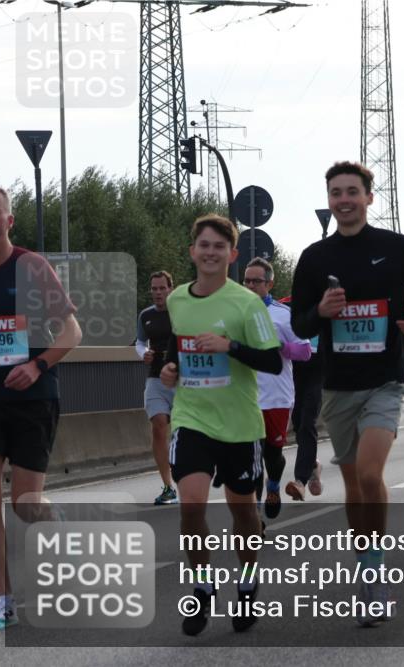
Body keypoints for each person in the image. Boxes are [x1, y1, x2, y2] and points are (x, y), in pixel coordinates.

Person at [290, 162, 404, 626]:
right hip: (338, 385)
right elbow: (299, 324)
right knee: (355, 486)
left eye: (352, 192)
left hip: (386, 379)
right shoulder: (315, 258)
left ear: (368, 198)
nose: (344, 199)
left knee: (372, 474)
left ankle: (375, 577)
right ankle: (365, 566)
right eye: (336, 192)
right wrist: (320, 309)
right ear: (329, 199)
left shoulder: (392, 247)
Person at [160, 214, 282, 636]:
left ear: (231, 255)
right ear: (192, 251)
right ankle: (202, 586)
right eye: (203, 245)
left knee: (243, 512)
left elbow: (272, 359)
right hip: (191, 417)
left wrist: (230, 346)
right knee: (190, 505)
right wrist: (169, 369)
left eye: (219, 247)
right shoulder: (176, 299)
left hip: (239, 425)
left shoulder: (246, 304)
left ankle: (247, 581)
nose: (210, 252)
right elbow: (176, 346)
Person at [0, 185, 82, 631]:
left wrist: (37, 364)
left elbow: (72, 332)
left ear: (9, 221)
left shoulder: (31, 266)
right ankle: (5, 598)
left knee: (25, 503)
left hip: (32, 396)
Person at [243, 258, 312, 520]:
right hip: (245, 398)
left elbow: (305, 351)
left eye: (255, 281)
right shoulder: (233, 312)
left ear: (269, 284)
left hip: (277, 397)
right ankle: (255, 516)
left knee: (273, 456)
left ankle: (274, 486)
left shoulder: (283, 315)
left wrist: (281, 347)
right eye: (246, 280)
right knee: (253, 457)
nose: (249, 285)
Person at [137, 271, 178, 505]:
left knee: (184, 432)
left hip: (181, 380)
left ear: (171, 289)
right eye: (154, 289)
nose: (158, 293)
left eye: (162, 288)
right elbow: (140, 342)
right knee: (158, 426)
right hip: (155, 379)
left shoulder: (181, 311)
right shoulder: (145, 316)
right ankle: (167, 486)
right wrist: (144, 353)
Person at [282, 294, 324, 502]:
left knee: (308, 422)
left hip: (318, 371)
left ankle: (300, 482)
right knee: (298, 423)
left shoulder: (329, 305)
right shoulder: (287, 305)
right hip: (294, 370)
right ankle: (313, 464)